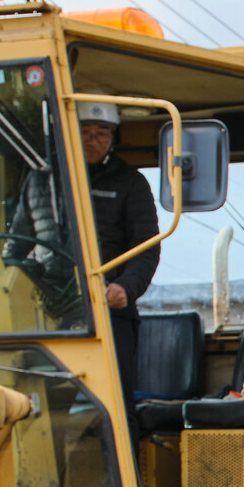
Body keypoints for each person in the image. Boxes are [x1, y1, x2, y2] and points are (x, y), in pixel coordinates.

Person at [75, 100, 159, 417]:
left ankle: (125, 467)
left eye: (101, 133)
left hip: (109, 314)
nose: (92, 140)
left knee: (115, 411)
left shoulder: (131, 184)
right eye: (84, 131)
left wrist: (126, 287)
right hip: (50, 318)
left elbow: (146, 247)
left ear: (113, 138)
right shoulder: (43, 179)